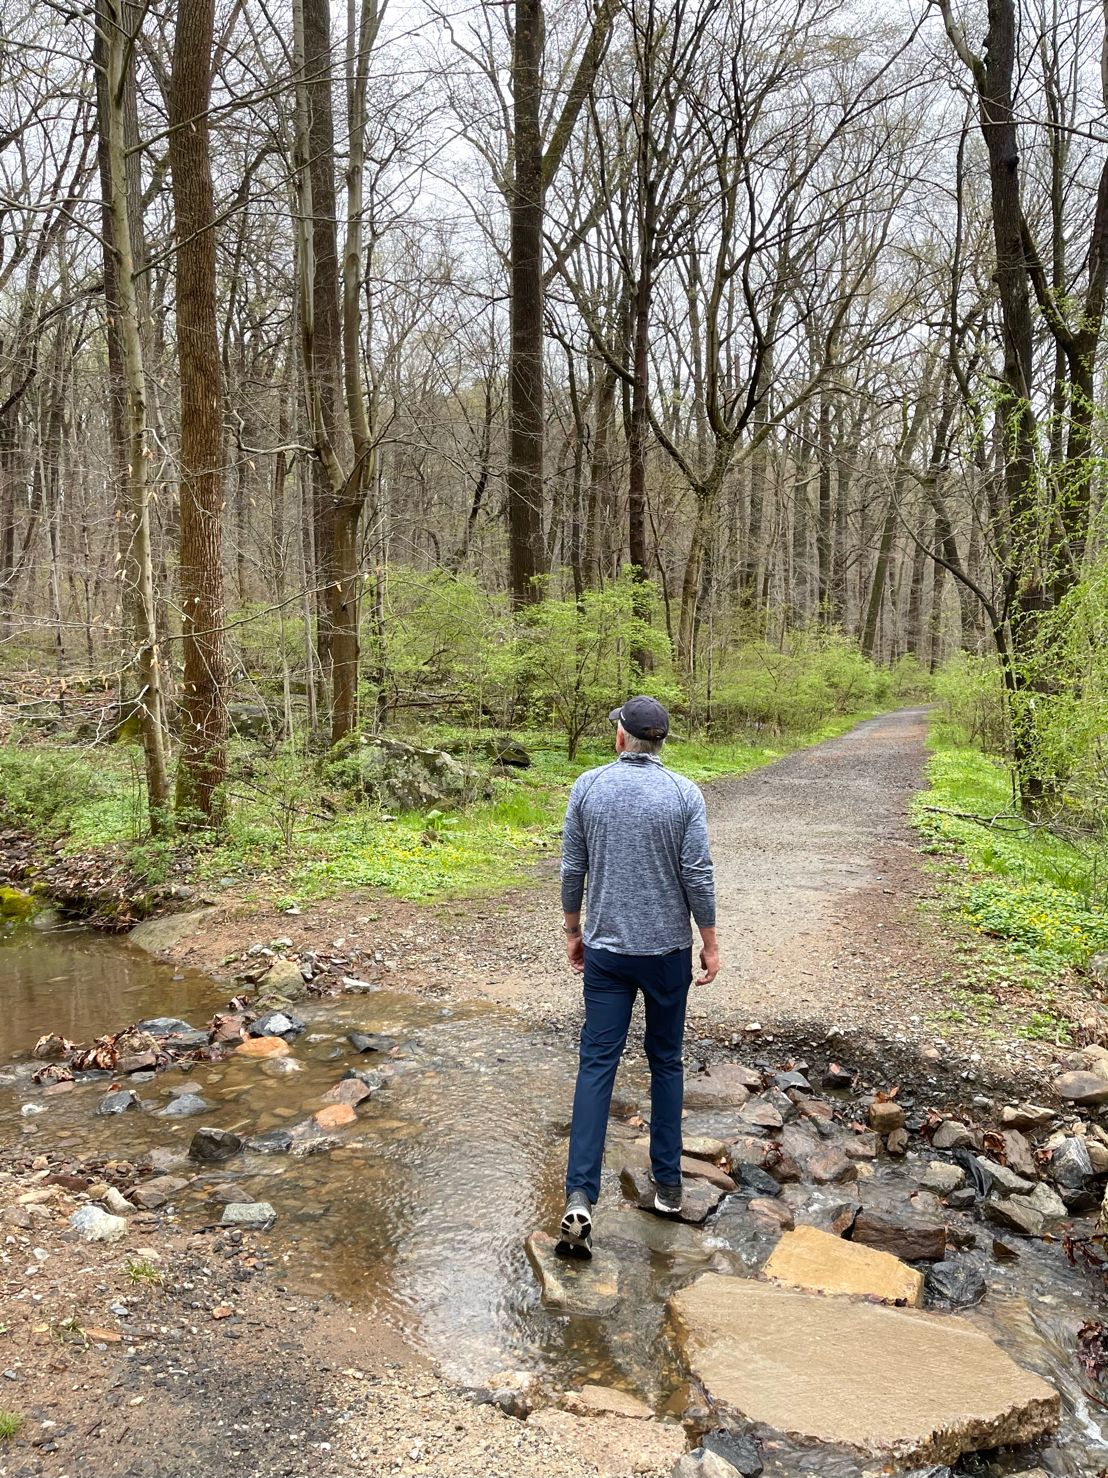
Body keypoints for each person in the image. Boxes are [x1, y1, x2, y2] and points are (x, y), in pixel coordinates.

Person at [556, 695, 718, 1258]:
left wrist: (574, 928)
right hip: (667, 952)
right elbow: (697, 873)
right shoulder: (683, 794)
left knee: (597, 1061)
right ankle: (669, 1186)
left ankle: (580, 1194)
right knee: (665, 1060)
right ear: (660, 742)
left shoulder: (588, 787)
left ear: (622, 737)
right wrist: (710, 939)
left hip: (605, 951)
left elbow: (572, 866)